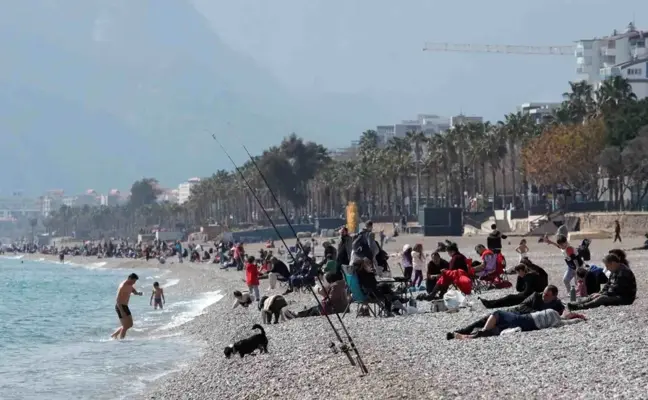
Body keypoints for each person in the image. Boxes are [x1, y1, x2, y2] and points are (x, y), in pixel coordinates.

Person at [447, 285, 565, 339]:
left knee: (496, 329)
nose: (544, 296)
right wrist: (535, 312)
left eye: (547, 295)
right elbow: (522, 305)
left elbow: (562, 313)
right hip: (516, 313)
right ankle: (463, 331)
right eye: (544, 293)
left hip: (522, 321)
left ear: (554, 296)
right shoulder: (535, 296)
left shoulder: (557, 304)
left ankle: (471, 336)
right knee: (485, 320)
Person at [452, 309, 586, 339]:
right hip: (527, 324)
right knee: (498, 329)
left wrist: (578, 318)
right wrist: (578, 318)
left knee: (498, 313)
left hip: (524, 320)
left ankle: (480, 331)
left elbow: (570, 321)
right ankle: (468, 337)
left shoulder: (556, 318)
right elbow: (570, 321)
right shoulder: (558, 321)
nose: (566, 313)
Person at [568, 253, 636, 311]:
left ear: (613, 263)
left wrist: (602, 294)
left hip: (625, 298)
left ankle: (580, 307)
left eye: (607, 266)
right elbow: (608, 284)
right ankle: (578, 303)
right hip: (617, 294)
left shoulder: (623, 272)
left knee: (601, 298)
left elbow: (617, 289)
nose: (607, 268)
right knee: (594, 295)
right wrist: (600, 293)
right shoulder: (615, 270)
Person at [283, 272, 349, 319]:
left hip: (337, 309)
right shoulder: (340, 285)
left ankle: (297, 315)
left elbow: (330, 300)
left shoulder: (336, 286)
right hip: (341, 308)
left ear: (330, 280)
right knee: (314, 309)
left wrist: (324, 300)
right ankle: (297, 314)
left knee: (315, 309)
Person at [111, 273, 143, 339]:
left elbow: (132, 289)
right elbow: (118, 300)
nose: (134, 283)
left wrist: (137, 293)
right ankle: (122, 341)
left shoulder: (129, 284)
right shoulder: (123, 286)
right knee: (125, 326)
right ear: (129, 278)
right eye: (133, 281)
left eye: (135, 282)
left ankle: (114, 335)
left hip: (125, 306)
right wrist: (122, 311)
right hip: (120, 306)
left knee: (130, 324)